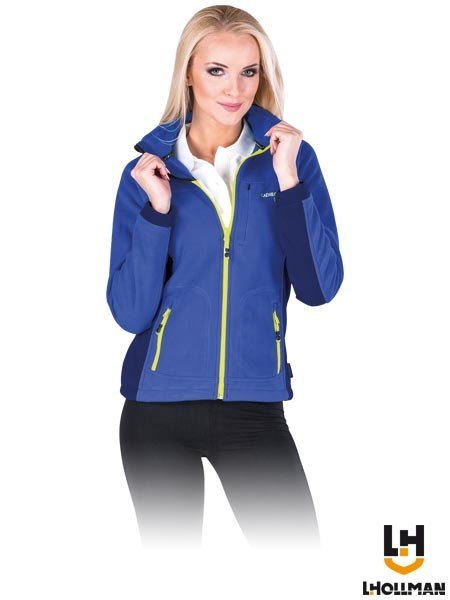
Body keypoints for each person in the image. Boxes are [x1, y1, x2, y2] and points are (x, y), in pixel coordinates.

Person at [106, 4, 344, 550]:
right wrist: (157, 211)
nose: (234, 89)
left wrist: (289, 182)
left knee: (298, 563)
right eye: (216, 70)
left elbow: (318, 288)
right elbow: (130, 312)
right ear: (188, 73)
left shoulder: (291, 160)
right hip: (156, 411)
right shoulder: (148, 171)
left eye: (248, 71)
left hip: (254, 407)